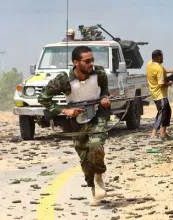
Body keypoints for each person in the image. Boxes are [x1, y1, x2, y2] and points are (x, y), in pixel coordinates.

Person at [38, 46, 111, 206]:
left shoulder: (99, 73)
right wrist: (64, 110)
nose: (91, 63)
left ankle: (99, 175)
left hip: (97, 115)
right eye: (87, 61)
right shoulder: (64, 80)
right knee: (85, 159)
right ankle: (93, 189)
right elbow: (43, 97)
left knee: (96, 145)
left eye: (92, 60)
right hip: (77, 121)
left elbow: (105, 91)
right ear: (76, 62)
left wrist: (105, 98)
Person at [146, 49, 173, 140]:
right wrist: (169, 83)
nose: (163, 57)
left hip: (156, 93)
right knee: (161, 114)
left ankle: (163, 134)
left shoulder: (149, 64)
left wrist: (170, 71)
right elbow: (161, 83)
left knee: (167, 112)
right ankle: (153, 135)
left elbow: (158, 72)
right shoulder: (159, 68)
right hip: (160, 95)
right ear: (159, 57)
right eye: (162, 56)